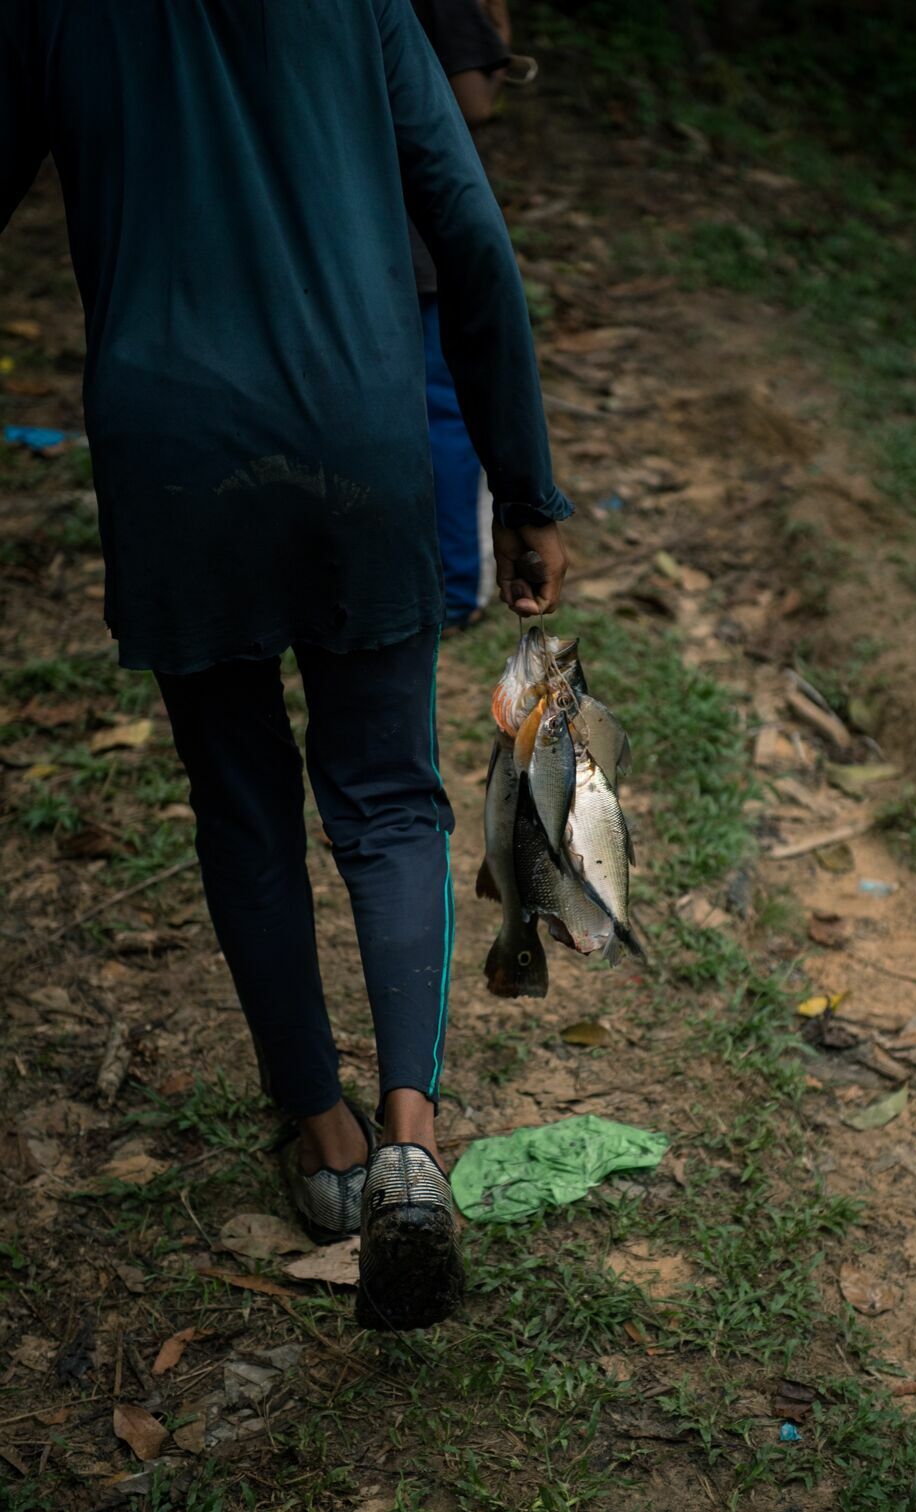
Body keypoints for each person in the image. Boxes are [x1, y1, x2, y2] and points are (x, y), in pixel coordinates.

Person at [0, 0, 570, 1332]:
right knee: (387, 795)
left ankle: (324, 1145)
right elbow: (471, 233)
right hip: (354, 425)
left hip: (171, 444)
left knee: (241, 795)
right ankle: (412, 1142)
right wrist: (524, 479)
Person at [409, 0, 512, 631]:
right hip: (420, 236)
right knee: (447, 410)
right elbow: (475, 101)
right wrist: (495, 25)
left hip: (326, 250)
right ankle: (456, 591)